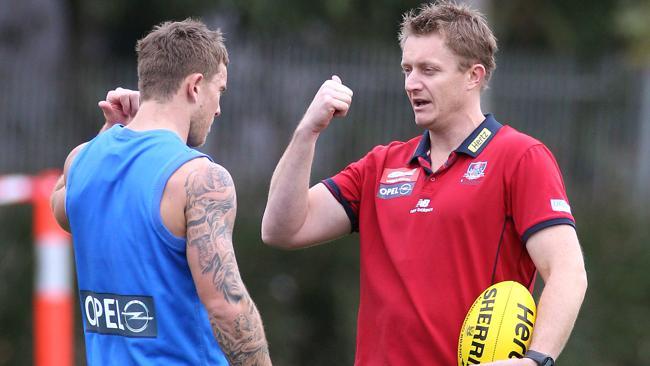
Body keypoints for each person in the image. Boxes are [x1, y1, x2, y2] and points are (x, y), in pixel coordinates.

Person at [261, 2, 587, 366]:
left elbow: (567, 270)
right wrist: (308, 131)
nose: (411, 83)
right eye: (407, 69)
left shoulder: (520, 157)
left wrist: (535, 360)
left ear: (473, 76)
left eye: (429, 70)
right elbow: (282, 228)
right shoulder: (381, 165)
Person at [50, 19, 271, 365]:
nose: (218, 109)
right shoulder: (198, 178)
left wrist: (109, 131)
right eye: (220, 91)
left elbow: (62, 206)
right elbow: (226, 306)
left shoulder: (82, 162)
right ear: (195, 86)